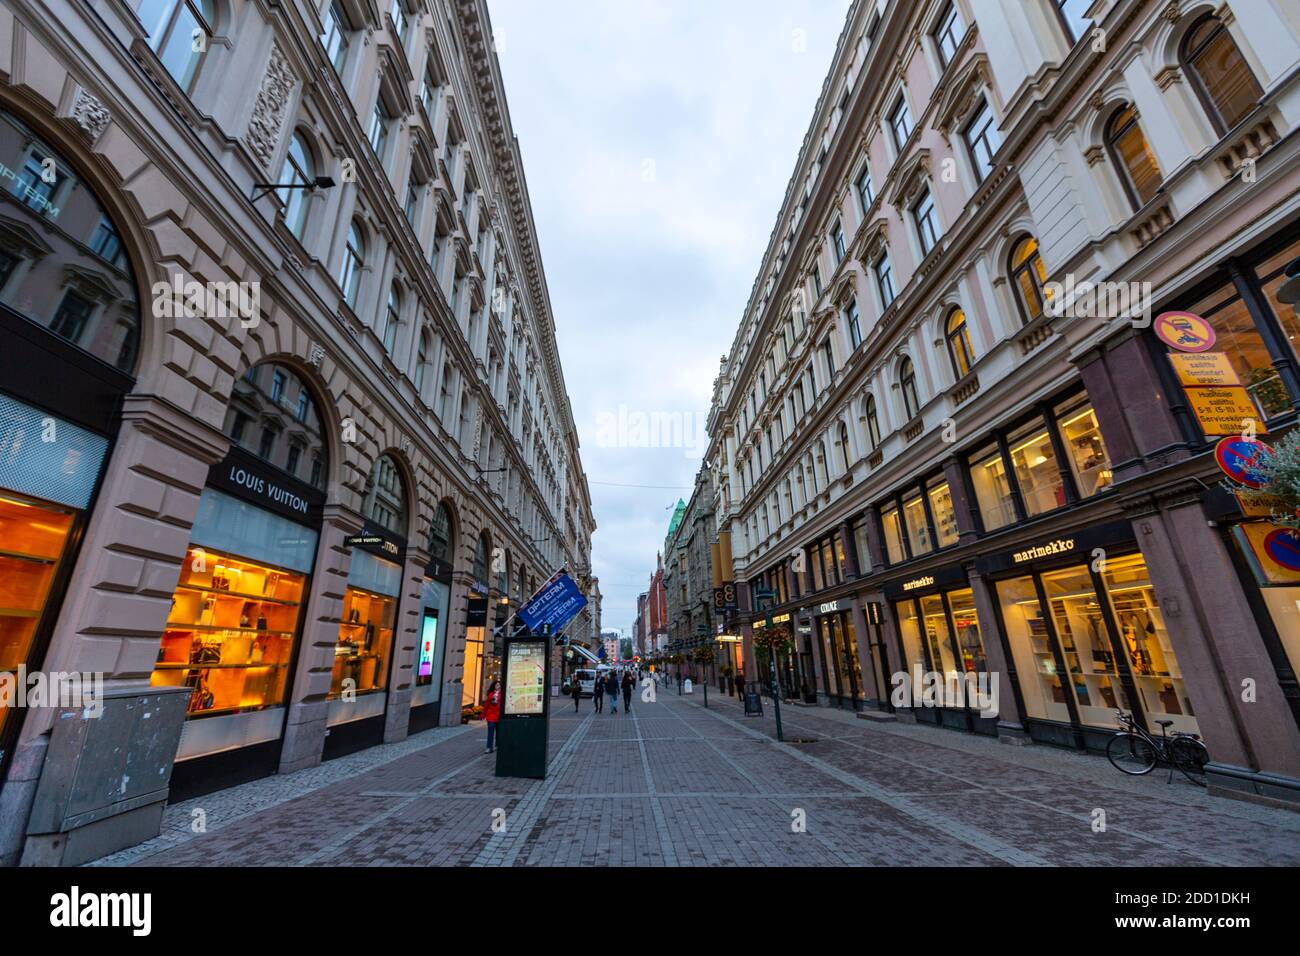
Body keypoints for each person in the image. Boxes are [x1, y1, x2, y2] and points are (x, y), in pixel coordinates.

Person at [483, 680, 501, 753]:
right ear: (494, 686)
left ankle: (497, 745)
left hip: (499, 715)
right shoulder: (491, 694)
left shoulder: (502, 693)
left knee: (498, 732)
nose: (498, 686)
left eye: (499, 685)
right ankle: (489, 747)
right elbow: (486, 705)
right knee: (490, 732)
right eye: (496, 685)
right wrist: (483, 715)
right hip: (491, 716)